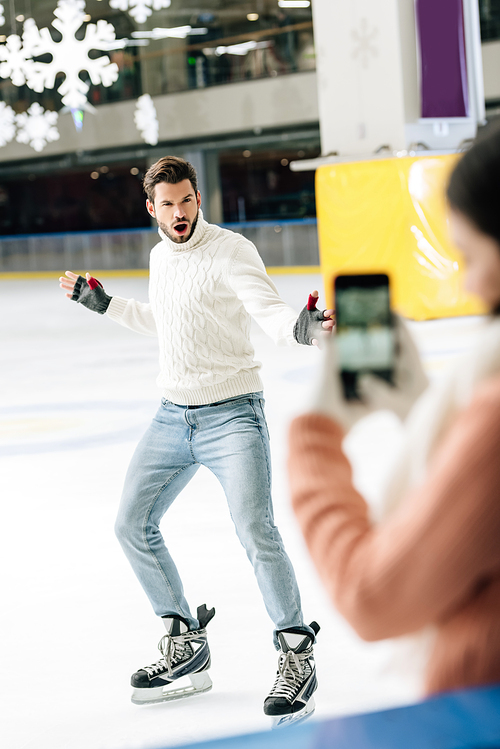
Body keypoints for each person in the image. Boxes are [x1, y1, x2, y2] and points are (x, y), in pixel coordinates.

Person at [59, 156, 333, 725]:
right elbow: (166, 319)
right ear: (151, 209)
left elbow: (269, 312)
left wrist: (300, 329)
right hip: (171, 415)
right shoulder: (161, 256)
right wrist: (103, 302)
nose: (179, 213)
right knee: (131, 524)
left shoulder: (231, 251)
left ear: (198, 198)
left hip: (232, 415)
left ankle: (296, 652)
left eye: (187, 201)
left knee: (255, 529)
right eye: (168, 205)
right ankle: (184, 640)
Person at [287, 125, 500, 697]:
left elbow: (372, 598)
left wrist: (316, 433)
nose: (468, 281)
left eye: (471, 255)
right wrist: (424, 411)